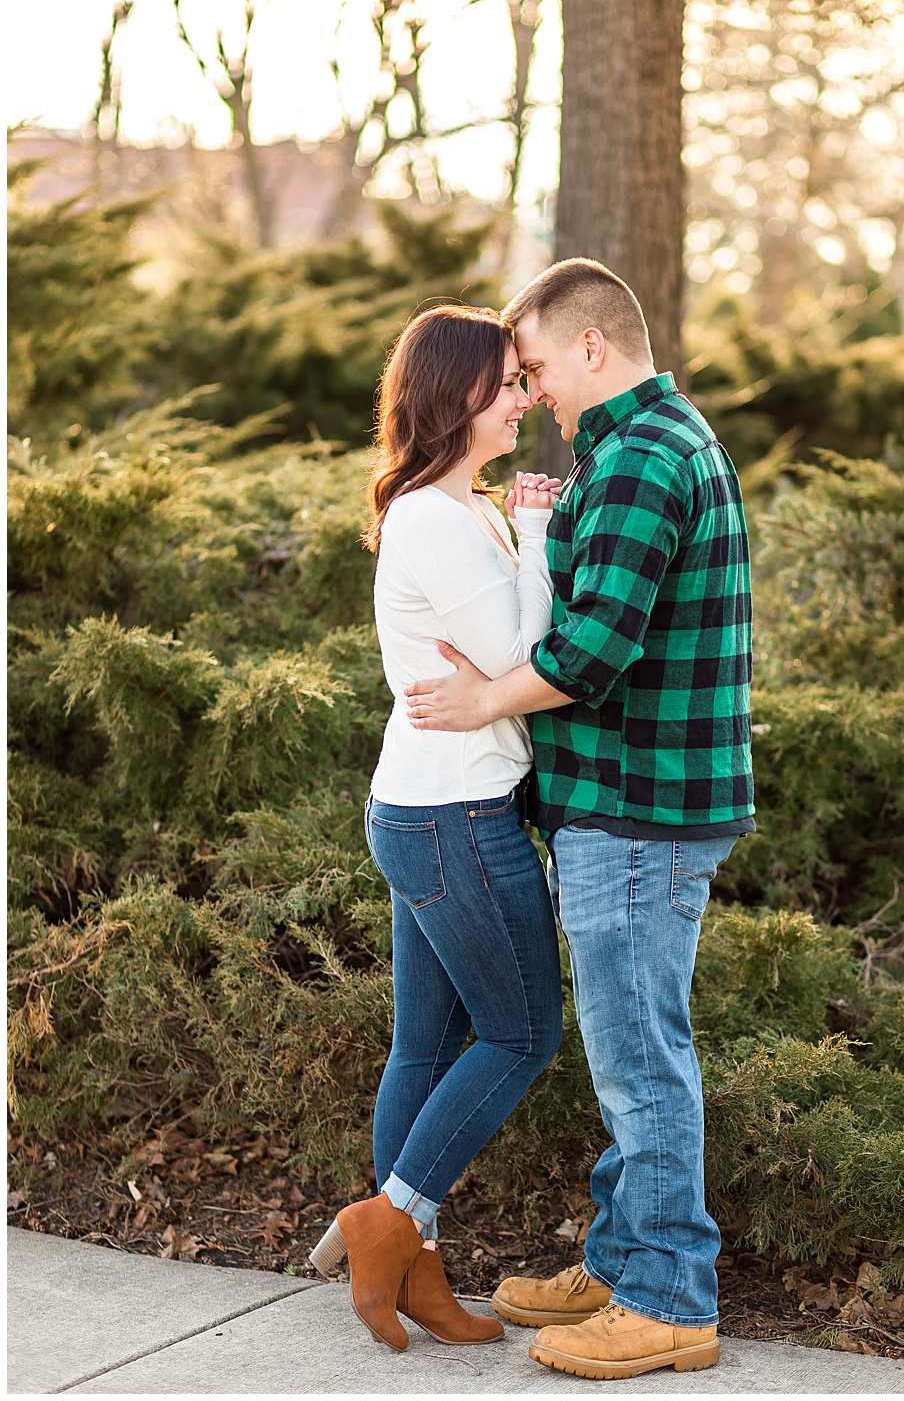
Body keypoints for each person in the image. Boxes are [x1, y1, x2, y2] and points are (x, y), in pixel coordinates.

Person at [403, 257, 755, 1382]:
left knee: (640, 1059)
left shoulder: (647, 455)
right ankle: (618, 1258)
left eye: (541, 365)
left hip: (636, 806)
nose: (535, 390)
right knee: (627, 1047)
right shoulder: (635, 447)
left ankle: (665, 1297)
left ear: (592, 348)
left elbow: (593, 653)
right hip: (629, 801)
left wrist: (479, 701)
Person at [309, 303, 567, 1352]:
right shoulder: (434, 517)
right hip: (454, 814)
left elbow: (497, 662)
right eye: (508, 380)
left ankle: (410, 1270)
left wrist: (520, 527)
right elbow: (520, 656)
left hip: (427, 806)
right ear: (459, 392)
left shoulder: (458, 506)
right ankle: (389, 1220)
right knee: (520, 1032)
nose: (524, 397)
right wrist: (543, 535)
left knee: (423, 1043)